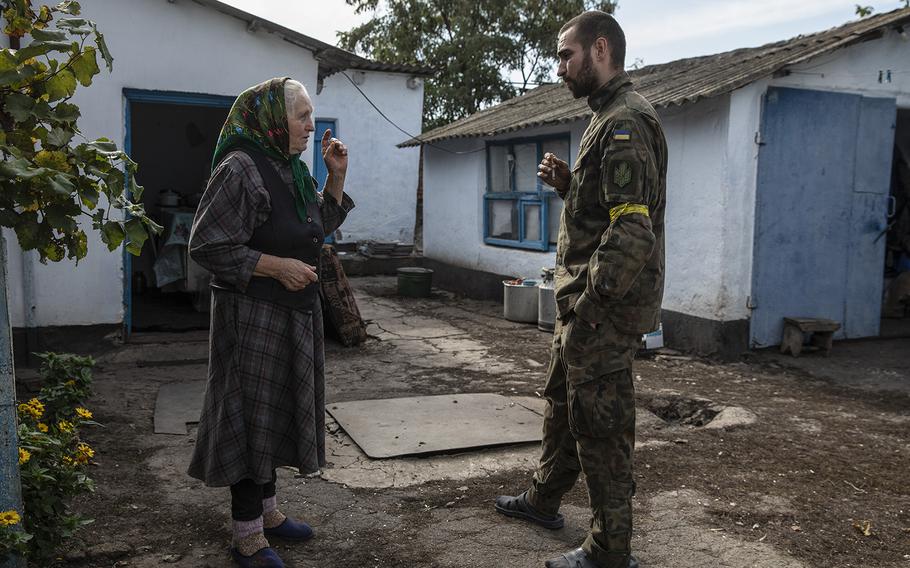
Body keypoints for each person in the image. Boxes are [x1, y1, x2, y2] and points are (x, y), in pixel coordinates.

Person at [495, 11, 667, 568]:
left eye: (565, 55)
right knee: (564, 405)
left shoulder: (625, 122)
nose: (559, 67)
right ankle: (544, 499)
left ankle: (609, 549)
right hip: (583, 306)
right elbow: (609, 210)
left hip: (602, 311)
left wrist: (591, 307)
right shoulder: (606, 116)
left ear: (599, 49)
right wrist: (571, 185)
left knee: (602, 427)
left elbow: (632, 230)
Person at [186, 77, 354, 568]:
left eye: (311, 115)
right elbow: (206, 244)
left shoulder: (289, 169)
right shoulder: (240, 168)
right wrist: (276, 267)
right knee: (249, 416)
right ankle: (247, 536)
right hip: (251, 319)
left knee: (275, 411)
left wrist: (335, 176)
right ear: (272, 120)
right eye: (302, 115)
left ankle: (269, 513)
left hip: (293, 317)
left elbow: (314, 226)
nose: (310, 125)